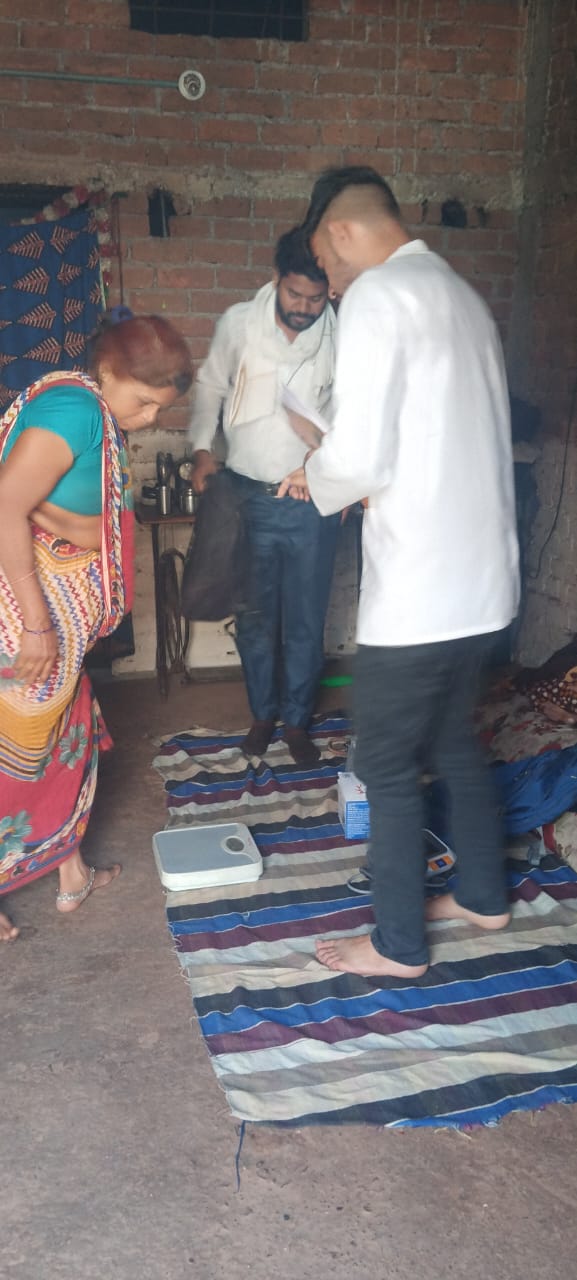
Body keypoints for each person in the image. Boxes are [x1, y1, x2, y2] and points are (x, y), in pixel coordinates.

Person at [279, 167, 520, 979]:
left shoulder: (380, 294)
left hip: (420, 588)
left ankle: (397, 946)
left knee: (380, 762)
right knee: (452, 741)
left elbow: (360, 454)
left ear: (341, 231)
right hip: (482, 584)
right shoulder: (460, 293)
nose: (331, 281)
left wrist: (313, 470)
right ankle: (482, 895)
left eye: (325, 261)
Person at [0, 312, 193, 941]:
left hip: (62, 627)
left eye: (160, 409)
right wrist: (36, 626)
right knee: (16, 754)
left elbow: (46, 507)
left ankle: (71, 872)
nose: (149, 418)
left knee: (67, 736)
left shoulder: (95, 415)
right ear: (107, 370)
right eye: (143, 401)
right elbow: (4, 504)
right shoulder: (76, 410)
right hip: (30, 624)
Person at [188, 226, 339, 767]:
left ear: (330, 293)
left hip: (311, 500)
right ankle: (262, 715)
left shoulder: (342, 335)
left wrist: (327, 469)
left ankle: (296, 722)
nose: (303, 308)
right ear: (276, 279)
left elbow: (352, 414)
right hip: (246, 498)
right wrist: (202, 449)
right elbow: (210, 385)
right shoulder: (239, 323)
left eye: (315, 299)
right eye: (294, 294)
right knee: (253, 616)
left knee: (305, 618)